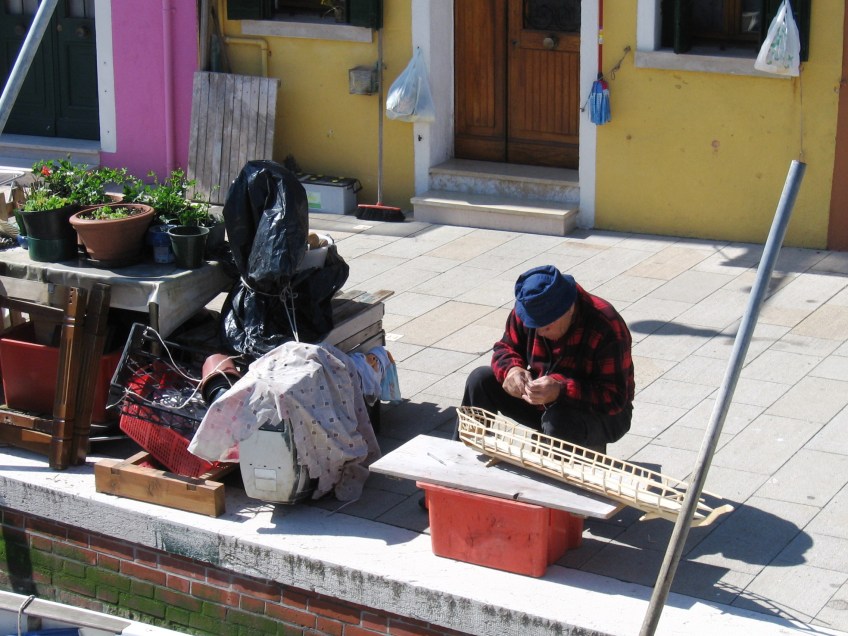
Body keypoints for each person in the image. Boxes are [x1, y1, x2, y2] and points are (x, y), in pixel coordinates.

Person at [460, 265, 634, 452]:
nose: (539, 331)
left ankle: (557, 467)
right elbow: (505, 347)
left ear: (569, 309)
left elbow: (614, 397)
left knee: (559, 420)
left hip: (602, 411)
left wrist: (561, 390)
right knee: (480, 379)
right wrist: (512, 370)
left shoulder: (606, 325)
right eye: (533, 325)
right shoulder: (529, 310)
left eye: (546, 325)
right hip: (541, 400)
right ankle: (459, 455)